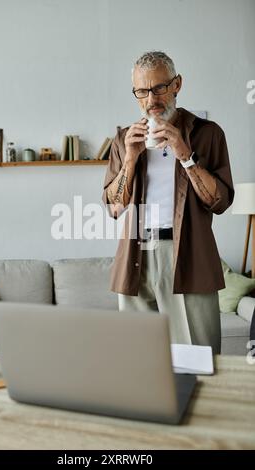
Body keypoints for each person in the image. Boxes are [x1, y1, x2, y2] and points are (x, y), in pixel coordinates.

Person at [102, 51, 234, 354]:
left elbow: (220, 201)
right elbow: (114, 206)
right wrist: (131, 160)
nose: (151, 99)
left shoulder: (207, 134)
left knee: (197, 357)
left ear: (177, 85)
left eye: (159, 87)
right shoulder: (124, 139)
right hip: (135, 255)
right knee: (140, 359)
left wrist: (183, 152)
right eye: (142, 91)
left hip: (187, 254)